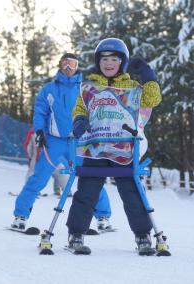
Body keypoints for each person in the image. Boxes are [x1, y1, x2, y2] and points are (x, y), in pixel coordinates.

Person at [65, 38, 161, 254]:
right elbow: (80, 108)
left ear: (122, 62)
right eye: (104, 59)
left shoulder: (132, 87)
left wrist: (147, 75)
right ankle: (76, 233)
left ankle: (143, 235)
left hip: (124, 148)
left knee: (132, 192)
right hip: (96, 147)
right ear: (98, 62)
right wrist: (79, 120)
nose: (109, 63)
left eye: (114, 59)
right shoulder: (89, 87)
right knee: (87, 191)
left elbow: (152, 99)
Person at [11, 53, 113, 231]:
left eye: (72, 64)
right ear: (59, 65)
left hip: (79, 142)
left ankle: (103, 217)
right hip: (54, 141)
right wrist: (40, 131)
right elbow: (40, 112)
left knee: (91, 177)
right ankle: (20, 215)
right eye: (65, 63)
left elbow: (98, 111)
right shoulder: (49, 89)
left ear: (77, 66)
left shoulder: (85, 89)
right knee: (39, 177)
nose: (68, 67)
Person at [24, 128, 69, 196]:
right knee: (60, 173)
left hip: (38, 158)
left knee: (33, 173)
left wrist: (30, 157)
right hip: (54, 158)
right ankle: (67, 191)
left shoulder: (34, 131)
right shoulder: (56, 129)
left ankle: (30, 191)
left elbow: (28, 146)